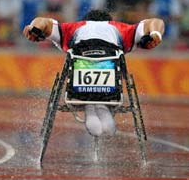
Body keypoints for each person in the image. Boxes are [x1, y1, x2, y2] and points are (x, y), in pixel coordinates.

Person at [23, 9, 164, 137]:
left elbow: (43, 21)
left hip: (78, 88)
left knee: (88, 100)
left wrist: (33, 28)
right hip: (110, 89)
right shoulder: (121, 28)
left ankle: (89, 107)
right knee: (103, 100)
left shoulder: (72, 28)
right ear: (109, 21)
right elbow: (156, 22)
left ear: (85, 21)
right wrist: (155, 34)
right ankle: (101, 107)